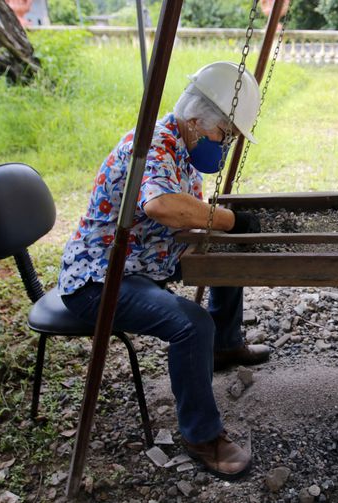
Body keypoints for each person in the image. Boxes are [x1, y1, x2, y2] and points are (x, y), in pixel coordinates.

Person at [58, 61, 271, 479]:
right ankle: (201, 435)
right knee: (190, 323)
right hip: (100, 278)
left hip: (145, 261)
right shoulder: (154, 144)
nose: (222, 145)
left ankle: (225, 344)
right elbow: (161, 205)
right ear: (195, 121)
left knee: (226, 257)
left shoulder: (182, 144)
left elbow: (188, 213)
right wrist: (228, 220)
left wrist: (225, 224)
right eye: (222, 135)